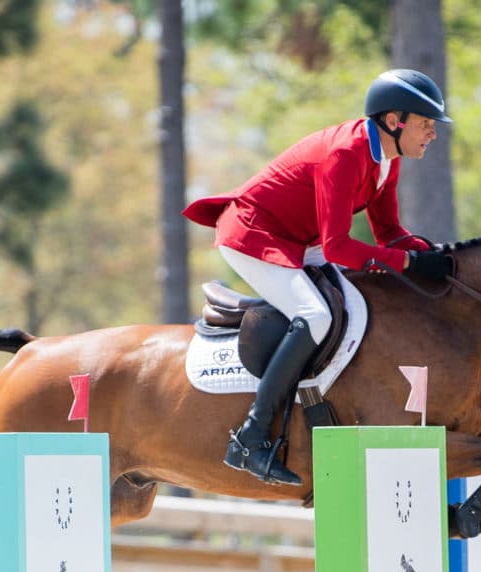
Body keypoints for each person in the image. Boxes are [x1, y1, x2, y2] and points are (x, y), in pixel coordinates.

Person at [183, 68, 455, 487]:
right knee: (316, 315)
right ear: (393, 121)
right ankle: (251, 437)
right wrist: (407, 264)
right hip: (254, 234)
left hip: (298, 238)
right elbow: (339, 248)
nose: (432, 134)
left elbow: (389, 234)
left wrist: (434, 254)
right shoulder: (345, 154)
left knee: (359, 302)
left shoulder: (387, 161)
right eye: (424, 124)